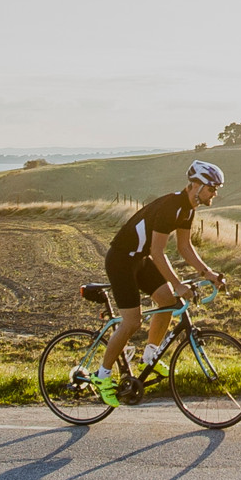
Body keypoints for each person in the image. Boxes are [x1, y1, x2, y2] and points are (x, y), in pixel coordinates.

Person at [88, 159, 225, 405]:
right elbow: (157, 252)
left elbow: (185, 247)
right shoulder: (172, 205)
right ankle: (102, 375)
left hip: (138, 260)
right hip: (121, 260)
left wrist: (209, 273)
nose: (215, 193)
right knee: (132, 322)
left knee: (168, 301)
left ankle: (150, 356)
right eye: (212, 187)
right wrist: (179, 283)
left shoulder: (188, 209)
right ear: (196, 185)